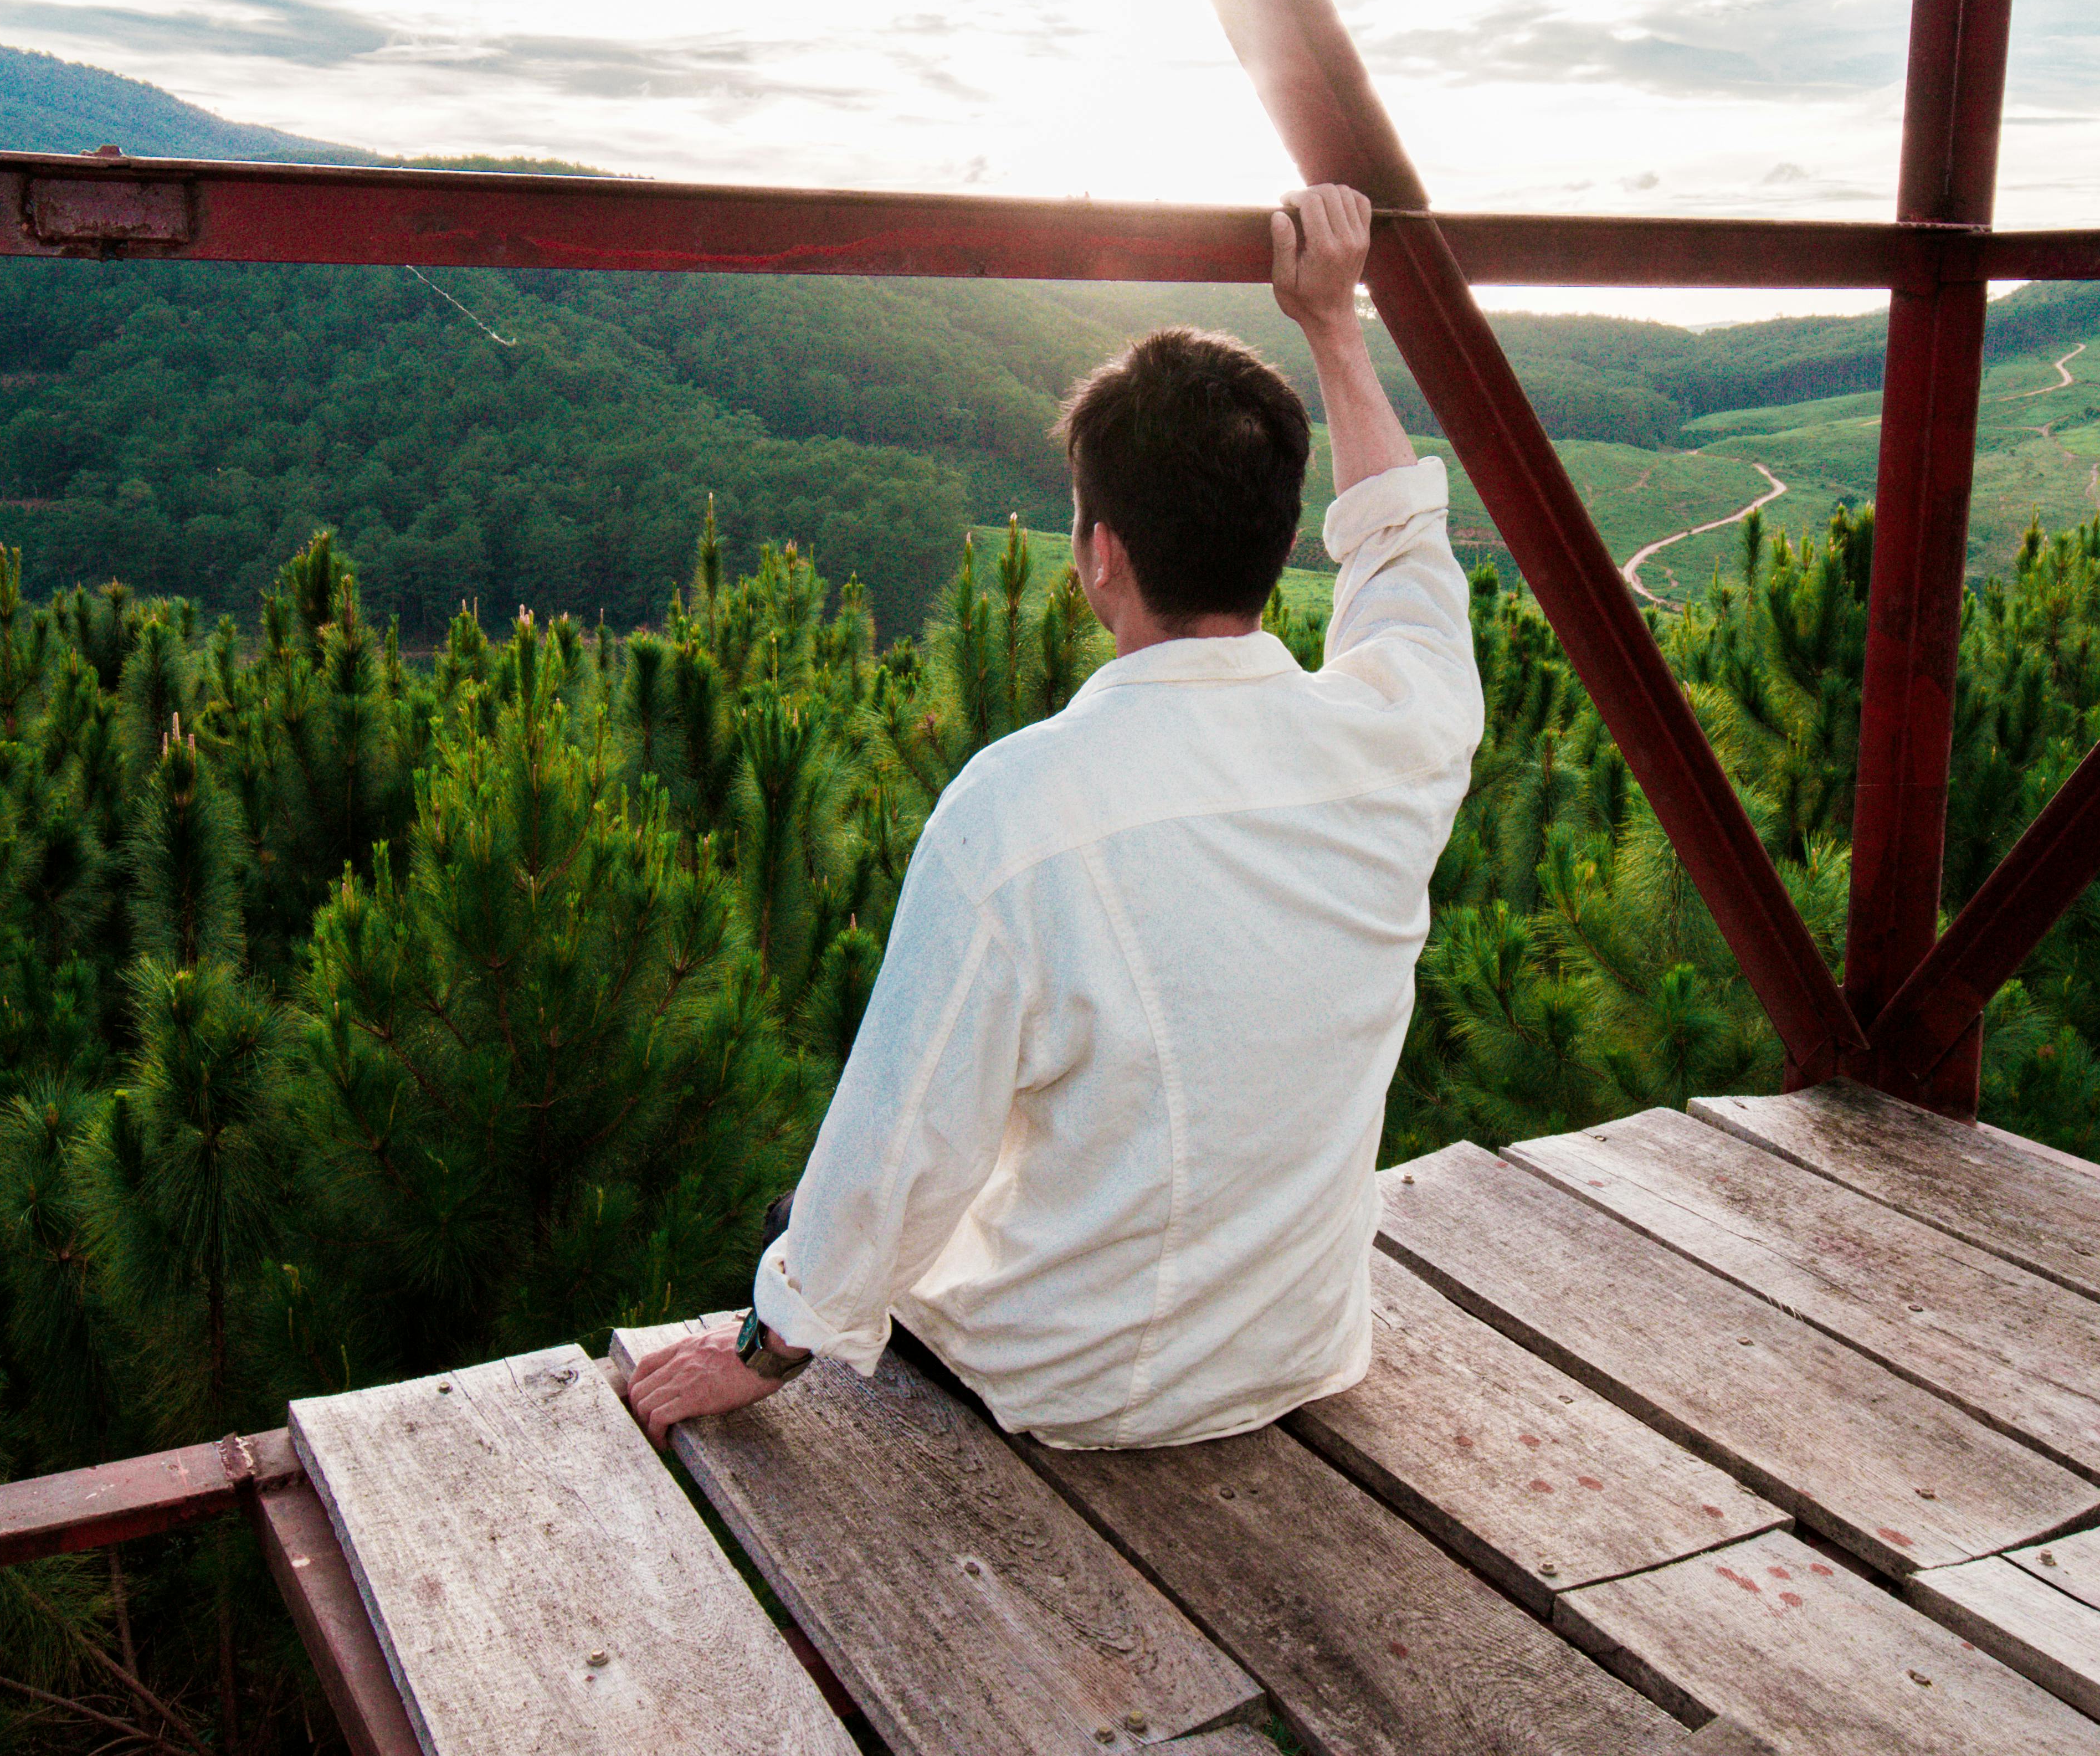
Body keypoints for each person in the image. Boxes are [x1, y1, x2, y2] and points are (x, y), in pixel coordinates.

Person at [628, 182, 1482, 1450]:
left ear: (1099, 554)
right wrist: (1335, 327)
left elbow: (896, 1147)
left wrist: (762, 1348)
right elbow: (1402, 558)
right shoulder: (1394, 739)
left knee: (799, 1218)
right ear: (1284, 533)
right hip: (1304, 1347)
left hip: (1086, 1387)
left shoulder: (1018, 809)